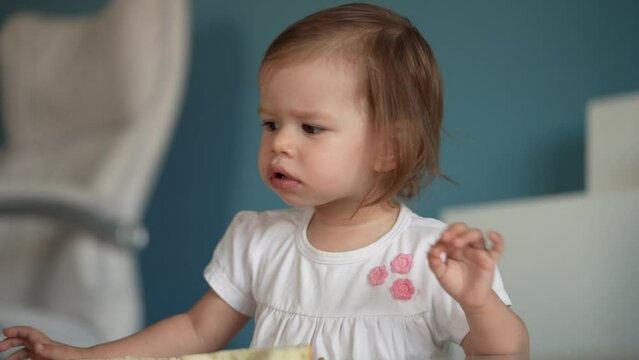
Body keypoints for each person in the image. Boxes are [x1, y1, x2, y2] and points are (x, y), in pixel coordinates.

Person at [0, 3, 529, 360]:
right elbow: (195, 330)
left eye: (310, 127)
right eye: (271, 123)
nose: (280, 142)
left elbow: (506, 353)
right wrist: (86, 355)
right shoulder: (257, 238)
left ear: (389, 146)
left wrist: (479, 303)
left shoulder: (428, 257)